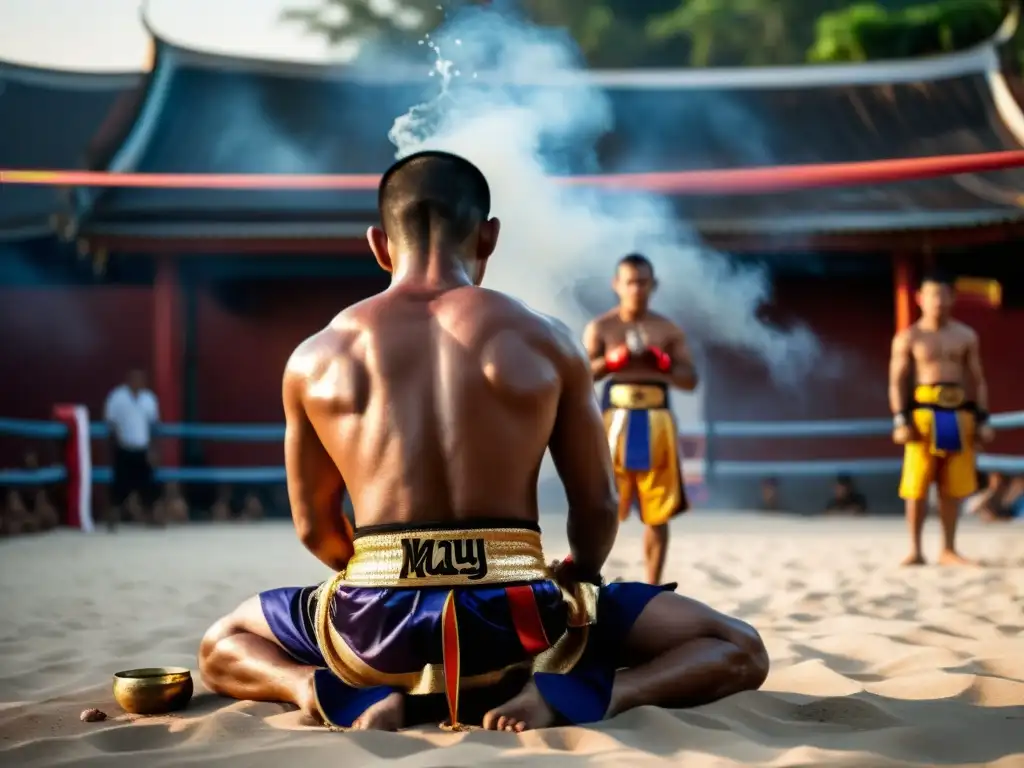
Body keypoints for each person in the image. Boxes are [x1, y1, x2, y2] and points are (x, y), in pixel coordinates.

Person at [198, 151, 768, 733]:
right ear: (489, 236)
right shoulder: (549, 341)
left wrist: (387, 578)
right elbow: (596, 509)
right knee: (736, 644)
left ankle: (329, 692)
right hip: (521, 622)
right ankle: (582, 694)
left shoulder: (315, 358)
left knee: (223, 642)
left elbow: (315, 529)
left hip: (374, 630)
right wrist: (577, 572)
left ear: (377, 243)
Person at [581, 254, 697, 585]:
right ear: (616, 285)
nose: (636, 289)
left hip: (657, 421)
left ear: (653, 285)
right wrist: (611, 361)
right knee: (603, 507)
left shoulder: (668, 329)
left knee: (657, 512)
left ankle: (653, 584)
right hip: (614, 420)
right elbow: (581, 373)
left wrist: (663, 363)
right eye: (630, 282)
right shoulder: (601, 327)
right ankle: (592, 582)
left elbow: (691, 379)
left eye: (643, 282)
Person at [889, 270, 995, 566]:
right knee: (917, 484)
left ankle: (948, 548)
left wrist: (983, 418)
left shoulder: (965, 335)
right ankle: (915, 549)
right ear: (920, 298)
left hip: (956, 413)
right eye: (932, 294)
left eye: (943, 294)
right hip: (922, 414)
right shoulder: (909, 337)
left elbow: (978, 379)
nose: (938, 301)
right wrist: (900, 418)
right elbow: (897, 381)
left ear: (952, 298)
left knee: (951, 483)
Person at [103, 369, 160, 529]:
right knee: (119, 485)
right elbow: (111, 424)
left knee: (148, 484)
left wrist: (153, 450)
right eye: (135, 379)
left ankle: (151, 517)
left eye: (141, 379)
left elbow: (153, 426)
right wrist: (113, 447)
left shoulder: (149, 399)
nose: (138, 382)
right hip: (123, 448)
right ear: (128, 380)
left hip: (142, 448)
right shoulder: (117, 397)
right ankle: (112, 519)